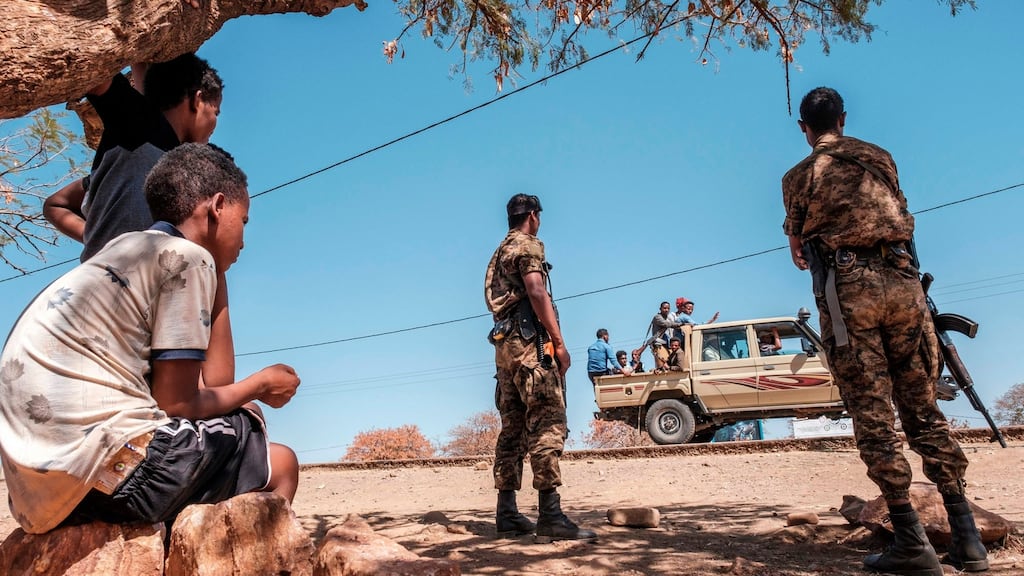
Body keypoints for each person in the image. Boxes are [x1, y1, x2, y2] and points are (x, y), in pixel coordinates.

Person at [0, 144, 300, 535]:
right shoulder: (187, 259)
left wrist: (219, 274)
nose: (243, 238)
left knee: (230, 418)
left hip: (41, 496)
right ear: (218, 206)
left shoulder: (123, 251)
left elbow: (210, 385)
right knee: (278, 458)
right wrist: (258, 386)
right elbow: (181, 401)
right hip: (112, 475)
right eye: (244, 219)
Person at [782, 87, 987, 575]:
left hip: (850, 296)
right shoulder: (881, 158)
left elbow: (796, 245)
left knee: (874, 416)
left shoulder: (797, 177)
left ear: (804, 128)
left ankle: (912, 543)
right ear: (844, 120)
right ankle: (968, 540)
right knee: (923, 409)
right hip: (904, 285)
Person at [484, 193, 595, 543]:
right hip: (530, 343)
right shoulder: (529, 245)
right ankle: (550, 515)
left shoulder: (499, 251)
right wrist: (558, 341)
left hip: (504, 347)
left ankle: (507, 513)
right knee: (547, 421)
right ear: (533, 215)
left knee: (513, 428)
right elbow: (536, 290)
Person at [44, 53, 224, 261]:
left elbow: (54, 205)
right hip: (113, 283)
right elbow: (102, 73)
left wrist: (99, 236)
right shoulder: (140, 124)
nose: (214, 123)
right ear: (198, 99)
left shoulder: (160, 162)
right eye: (216, 112)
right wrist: (101, 238)